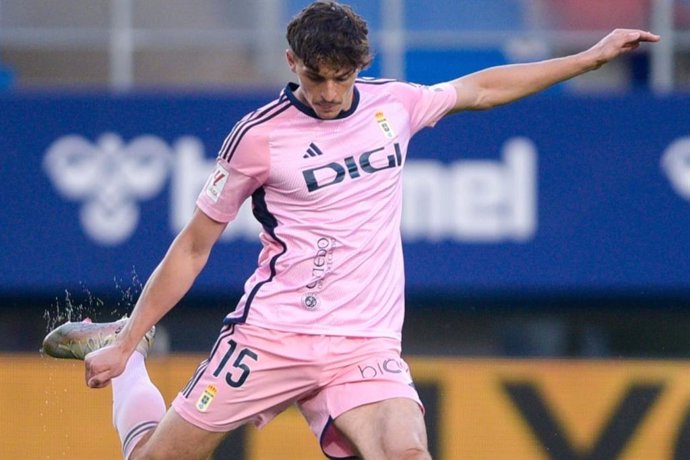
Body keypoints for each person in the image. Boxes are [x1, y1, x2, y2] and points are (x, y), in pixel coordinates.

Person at [42, 1, 659, 459]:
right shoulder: (258, 137)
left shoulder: (396, 104)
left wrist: (590, 56)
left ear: (362, 66)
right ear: (292, 63)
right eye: (316, 78)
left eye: (344, 77)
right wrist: (133, 338)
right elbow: (195, 246)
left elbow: (483, 87)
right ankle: (124, 361)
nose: (332, 93)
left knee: (406, 455)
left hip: (365, 344)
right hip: (275, 334)